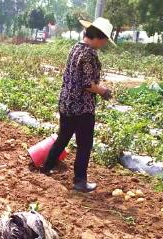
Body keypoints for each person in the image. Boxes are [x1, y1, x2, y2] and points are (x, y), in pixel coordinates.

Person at [41, 18, 116, 193]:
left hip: (67, 102)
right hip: (82, 107)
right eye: (105, 40)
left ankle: (46, 167)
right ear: (99, 37)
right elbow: (87, 84)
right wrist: (103, 91)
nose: (104, 44)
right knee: (84, 144)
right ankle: (80, 181)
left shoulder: (76, 47)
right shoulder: (89, 54)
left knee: (64, 136)